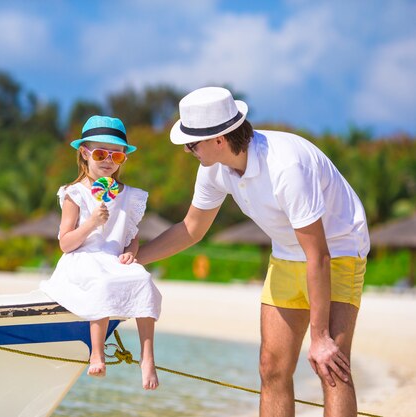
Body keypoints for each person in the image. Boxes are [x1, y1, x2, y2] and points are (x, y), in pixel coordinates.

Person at [137, 87, 369, 416]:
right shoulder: (213, 169)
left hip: (339, 246)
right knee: (271, 367)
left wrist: (319, 337)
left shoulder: (286, 167)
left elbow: (318, 254)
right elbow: (191, 229)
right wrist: (133, 258)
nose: (188, 150)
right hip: (287, 252)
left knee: (331, 363)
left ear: (219, 139)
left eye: (192, 143)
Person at [40, 115, 162, 390]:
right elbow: (66, 243)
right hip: (82, 258)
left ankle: (147, 358)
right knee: (102, 284)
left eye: (116, 156)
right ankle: (97, 353)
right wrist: (92, 223)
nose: (108, 160)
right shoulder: (75, 193)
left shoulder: (128, 195)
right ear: (84, 153)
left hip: (113, 259)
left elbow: (132, 236)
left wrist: (131, 252)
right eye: (100, 153)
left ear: (124, 159)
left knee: (143, 280)